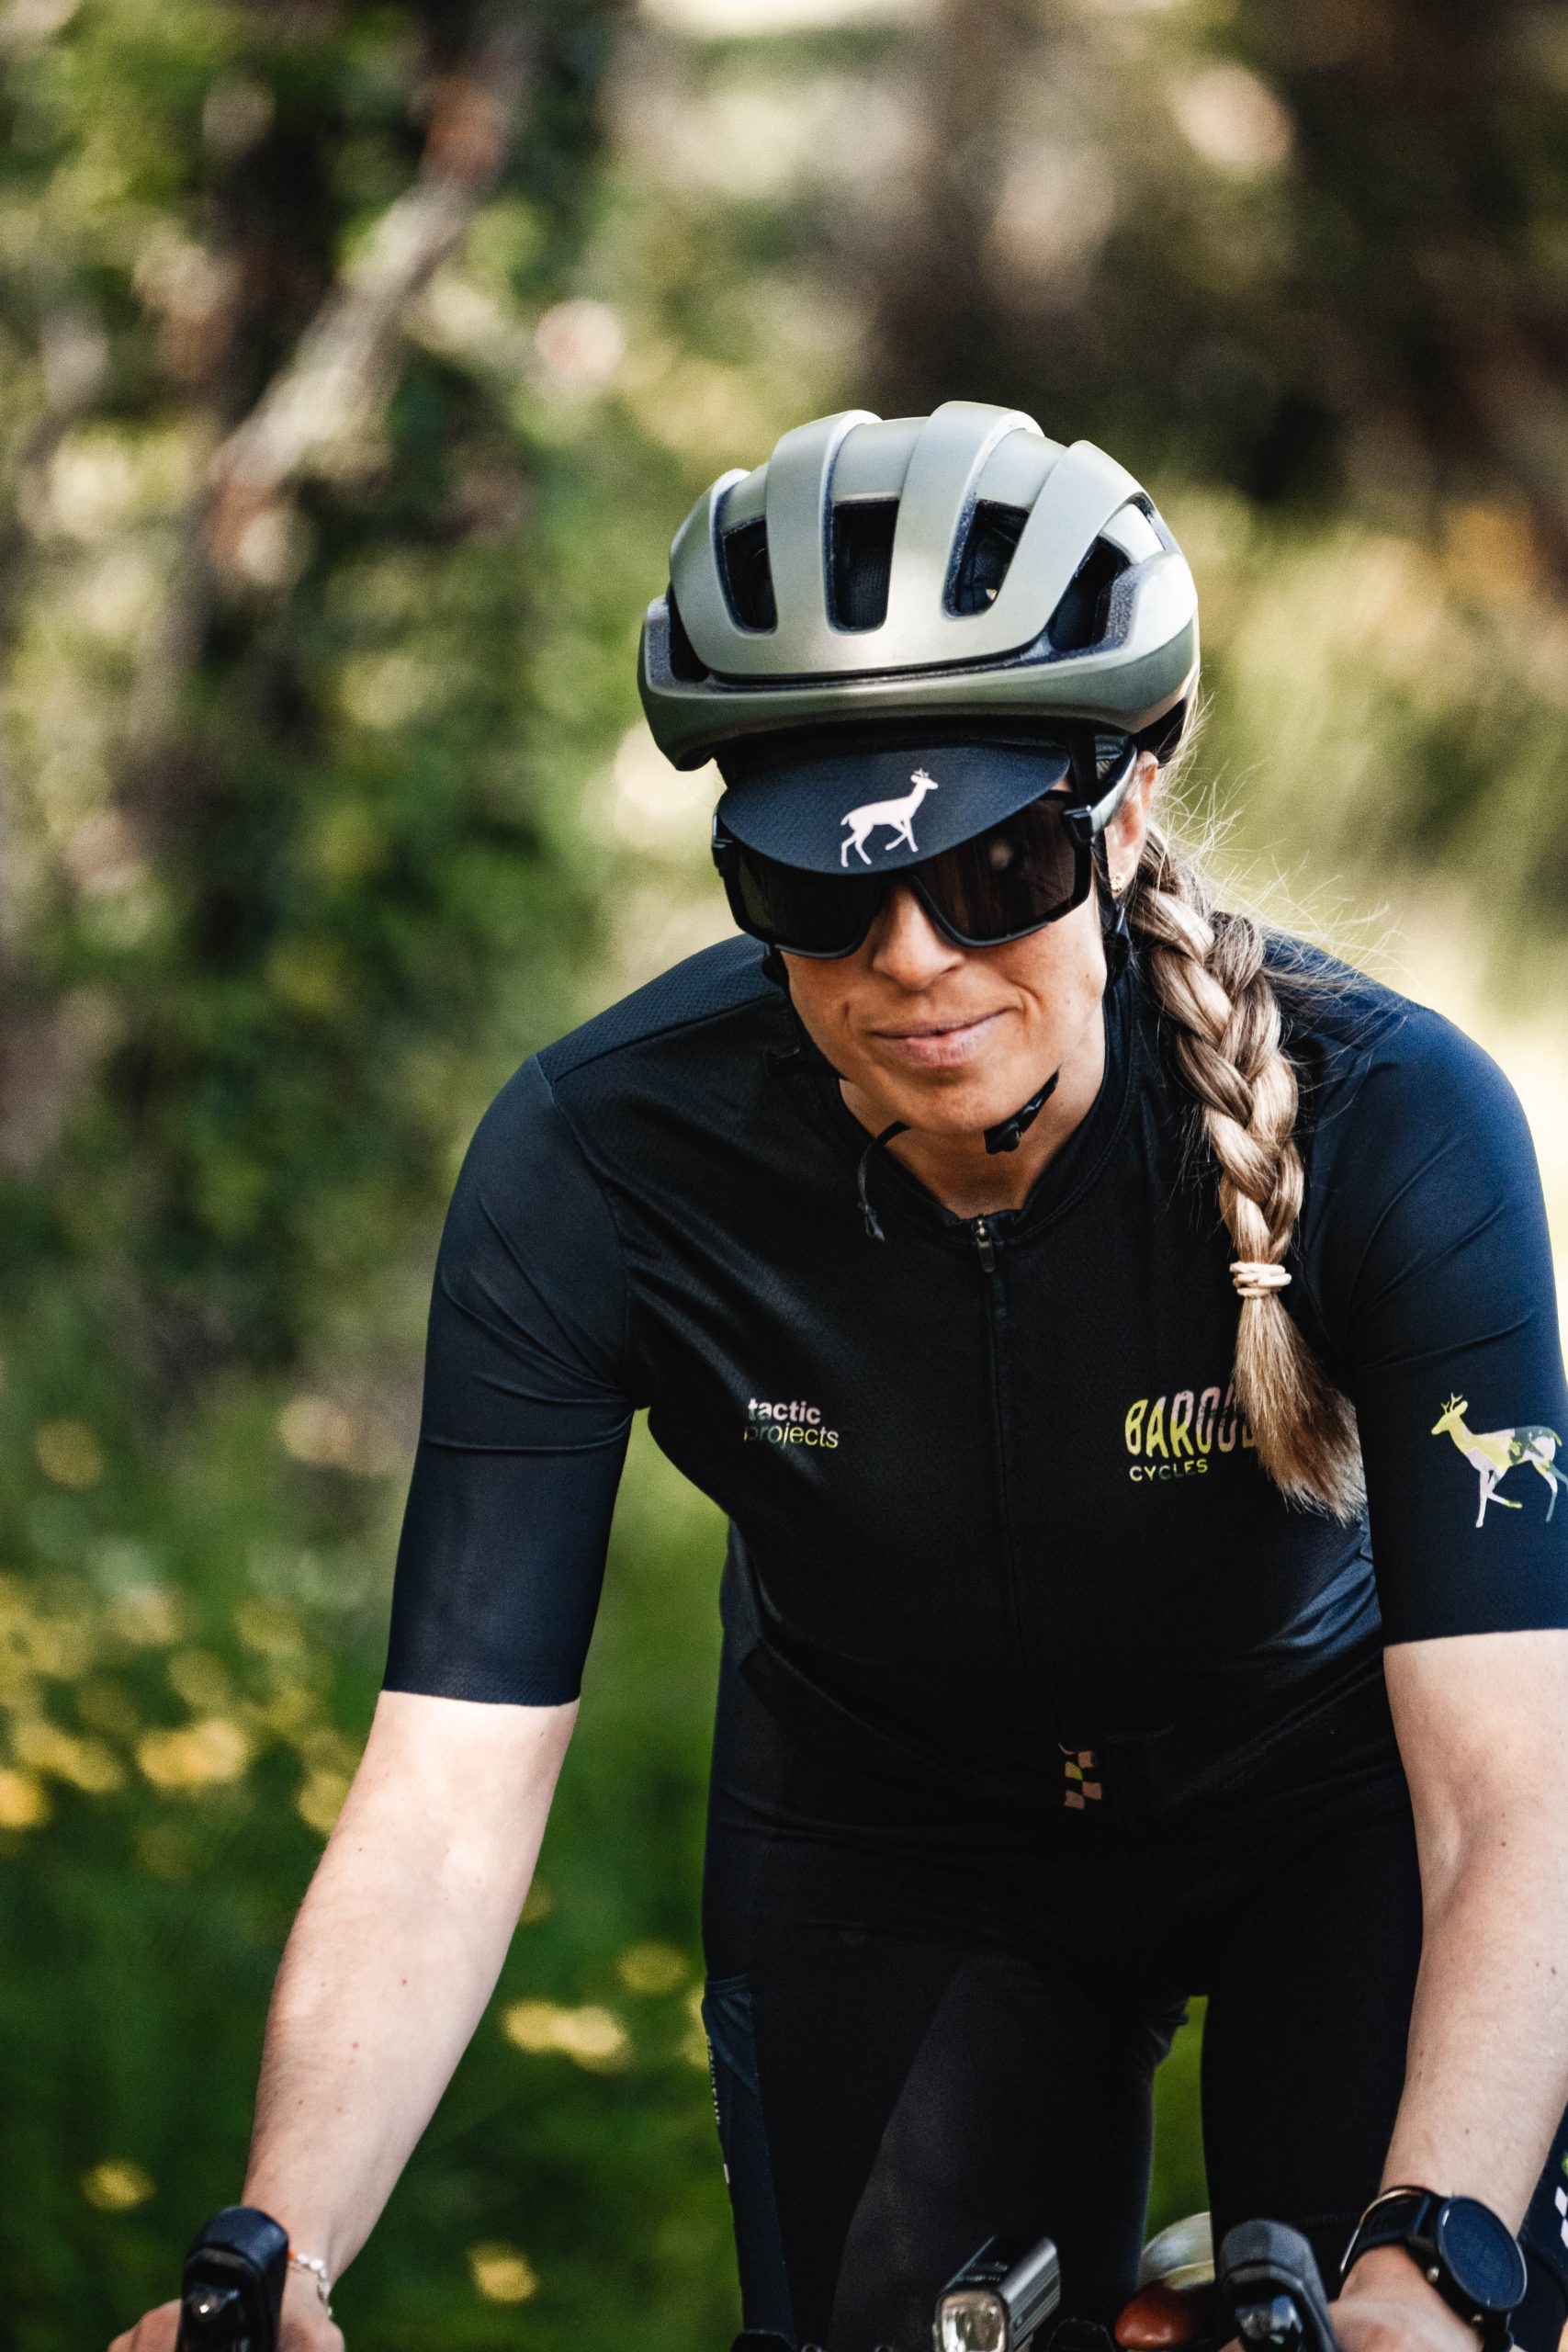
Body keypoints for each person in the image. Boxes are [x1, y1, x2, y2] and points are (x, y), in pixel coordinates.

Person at [111, 401, 1568, 2352]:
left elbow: (1513, 1794)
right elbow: (446, 1798)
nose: (912, 961)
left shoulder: (1397, 1123)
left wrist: (1435, 2259)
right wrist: (276, 2253)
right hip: (892, 1834)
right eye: (814, 888)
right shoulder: (601, 1165)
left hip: (1342, 1810)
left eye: (996, 867)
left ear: (1124, 810)